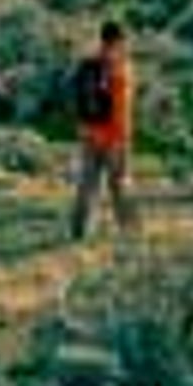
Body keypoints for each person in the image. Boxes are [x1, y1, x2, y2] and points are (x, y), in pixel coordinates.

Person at [68, 17, 137, 241]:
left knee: (87, 185)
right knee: (120, 185)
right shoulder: (120, 68)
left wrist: (83, 127)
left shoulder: (87, 64)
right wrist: (122, 138)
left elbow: (76, 98)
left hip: (89, 133)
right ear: (119, 40)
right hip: (113, 136)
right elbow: (121, 110)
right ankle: (128, 230)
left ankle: (79, 231)